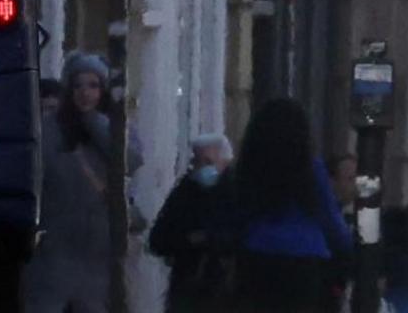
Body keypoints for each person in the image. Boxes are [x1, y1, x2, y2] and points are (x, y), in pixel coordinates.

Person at [226, 96, 356, 313]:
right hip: (305, 261)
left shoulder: (252, 168)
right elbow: (330, 219)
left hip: (258, 256)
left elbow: (239, 214)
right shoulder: (311, 170)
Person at [21, 53, 124, 313]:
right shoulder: (47, 130)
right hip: (53, 247)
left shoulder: (110, 129)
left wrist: (95, 123)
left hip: (96, 250)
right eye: (78, 85)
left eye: (93, 85)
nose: (85, 93)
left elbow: (129, 160)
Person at [149, 133, 243, 313]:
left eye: (208, 162)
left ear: (224, 162)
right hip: (187, 289)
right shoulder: (185, 192)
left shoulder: (236, 193)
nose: (201, 168)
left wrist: (211, 239)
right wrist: (187, 240)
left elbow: (242, 235)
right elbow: (158, 239)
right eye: (197, 162)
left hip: (224, 290)